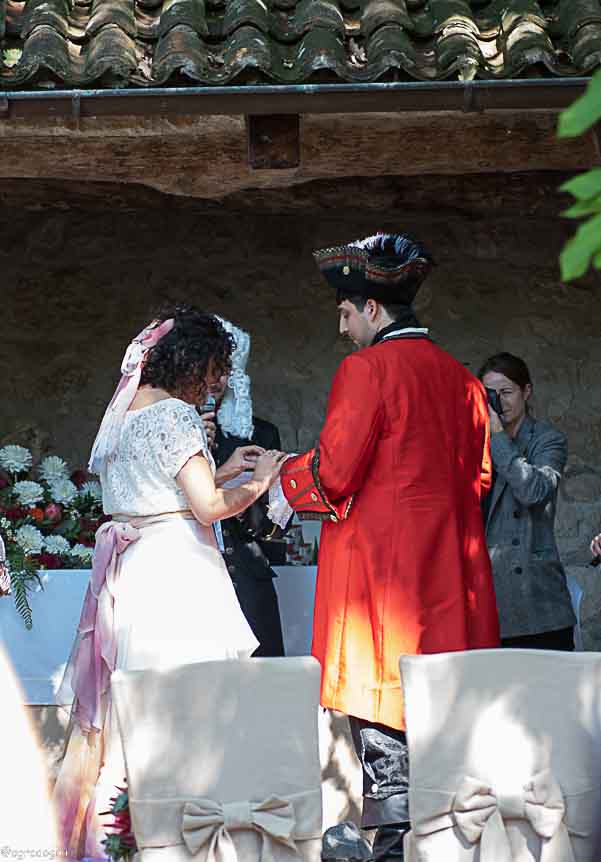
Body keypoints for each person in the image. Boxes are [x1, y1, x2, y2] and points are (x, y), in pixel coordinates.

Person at [278, 233, 500, 862]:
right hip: (453, 581)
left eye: (346, 314)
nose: (342, 328)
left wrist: (282, 474)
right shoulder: (464, 381)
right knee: (443, 726)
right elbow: (479, 481)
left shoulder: (365, 369)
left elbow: (334, 473)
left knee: (384, 728)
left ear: (373, 310)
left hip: (383, 585)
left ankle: (396, 848)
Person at [52, 305, 286, 858]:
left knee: (139, 712)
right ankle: (186, 839)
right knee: (192, 710)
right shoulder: (177, 416)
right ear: (193, 361)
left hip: (136, 575)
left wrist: (224, 467)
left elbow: (152, 488)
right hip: (180, 576)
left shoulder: (127, 413)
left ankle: (125, 836)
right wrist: (261, 480)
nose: (218, 381)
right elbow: (206, 508)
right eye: (215, 369)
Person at [201, 318, 286, 657]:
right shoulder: (175, 427)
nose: (217, 380)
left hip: (247, 565)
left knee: (262, 680)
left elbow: (271, 518)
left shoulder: (261, 434)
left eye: (225, 370)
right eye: (209, 369)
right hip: (195, 563)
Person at [480, 352, 576, 649]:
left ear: (527, 391)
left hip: (536, 600)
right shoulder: (475, 443)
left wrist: (497, 436)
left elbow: (533, 490)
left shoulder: (548, 440)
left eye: (506, 392)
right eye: (490, 395)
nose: (499, 402)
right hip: (486, 597)